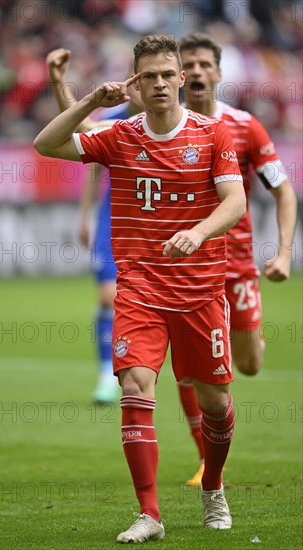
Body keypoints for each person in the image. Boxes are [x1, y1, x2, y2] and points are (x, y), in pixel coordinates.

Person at [34, 34, 246, 542]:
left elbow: (236, 202)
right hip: (140, 289)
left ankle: (212, 486)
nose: (158, 83)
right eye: (147, 75)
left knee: (215, 404)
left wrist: (197, 232)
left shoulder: (213, 134)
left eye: (166, 74)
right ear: (136, 81)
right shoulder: (119, 134)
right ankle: (149, 514)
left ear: (181, 78)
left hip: (198, 292)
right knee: (135, 388)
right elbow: (46, 144)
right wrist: (90, 99)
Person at [177, 33, 297, 486]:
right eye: (190, 64)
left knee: (246, 365)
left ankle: (248, 336)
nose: (199, 72)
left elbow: (284, 192)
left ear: (220, 73)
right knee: (190, 370)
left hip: (239, 265)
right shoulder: (166, 127)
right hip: (188, 269)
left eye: (206, 64)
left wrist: (283, 253)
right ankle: (209, 461)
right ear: (180, 75)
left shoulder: (246, 126)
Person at [46, 49, 143, 403]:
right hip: (112, 216)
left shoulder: (173, 121)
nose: (143, 85)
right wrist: (85, 215)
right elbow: (93, 165)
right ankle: (107, 374)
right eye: (138, 76)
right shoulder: (112, 120)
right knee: (108, 296)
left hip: (155, 222)